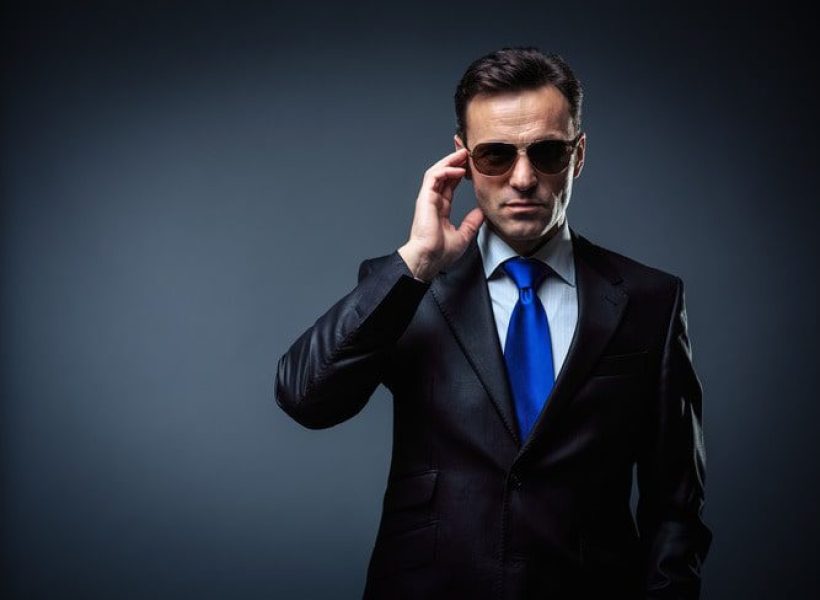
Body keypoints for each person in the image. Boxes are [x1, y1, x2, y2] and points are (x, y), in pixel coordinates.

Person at [275, 47, 712, 599]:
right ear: (462, 158)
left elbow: (676, 504)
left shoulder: (652, 299)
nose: (523, 178)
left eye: (547, 152)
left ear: (578, 155)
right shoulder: (409, 289)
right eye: (497, 155)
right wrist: (415, 263)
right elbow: (304, 399)